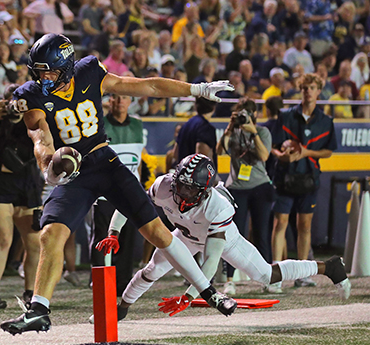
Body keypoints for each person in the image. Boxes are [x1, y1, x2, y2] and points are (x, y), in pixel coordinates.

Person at [0, 33, 236, 335]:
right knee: (50, 235)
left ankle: (208, 291)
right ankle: (39, 310)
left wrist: (196, 89)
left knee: (156, 232)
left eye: (50, 71)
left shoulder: (90, 72)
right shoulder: (32, 95)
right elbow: (39, 136)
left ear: (68, 67)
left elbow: (146, 85)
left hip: (105, 162)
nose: (43, 78)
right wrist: (48, 165)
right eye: (39, 71)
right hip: (73, 172)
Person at [95, 155, 350, 320]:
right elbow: (131, 204)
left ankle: (329, 267)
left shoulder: (217, 207)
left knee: (266, 275)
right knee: (152, 270)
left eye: (188, 189)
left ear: (204, 191)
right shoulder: (164, 186)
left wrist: (190, 295)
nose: (180, 193)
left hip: (222, 239)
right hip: (184, 236)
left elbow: (210, 261)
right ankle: (121, 310)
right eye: (179, 185)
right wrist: (114, 231)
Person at [0, 84, 43, 309]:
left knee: (34, 242)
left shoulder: (33, 119)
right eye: (10, 100)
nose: (15, 105)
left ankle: (31, 292)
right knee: (3, 238)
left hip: (26, 183)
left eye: (19, 100)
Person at [271, 73, 337, 290]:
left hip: (309, 178)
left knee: (304, 226)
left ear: (319, 90)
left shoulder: (326, 121)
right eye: (304, 88)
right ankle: (276, 274)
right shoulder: (286, 116)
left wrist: (306, 152)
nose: (308, 91)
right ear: (300, 90)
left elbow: (328, 151)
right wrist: (282, 155)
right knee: (280, 222)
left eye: (312, 88)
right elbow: (273, 145)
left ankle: (301, 275)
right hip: (285, 176)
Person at [216, 97, 276, 295]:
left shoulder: (263, 131)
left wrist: (254, 133)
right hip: (237, 188)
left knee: (261, 233)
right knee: (233, 235)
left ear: (254, 115)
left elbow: (264, 156)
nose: (243, 118)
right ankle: (230, 279)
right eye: (240, 113)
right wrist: (230, 128)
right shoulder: (234, 132)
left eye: (246, 114)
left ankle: (269, 279)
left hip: (259, 186)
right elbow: (219, 151)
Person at [89, 94, 145, 296]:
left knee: (128, 240)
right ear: (109, 101)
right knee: (102, 239)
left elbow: (138, 158)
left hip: (129, 194)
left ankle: (123, 284)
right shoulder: (99, 125)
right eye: (116, 97)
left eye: (125, 98)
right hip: (105, 195)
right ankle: (100, 282)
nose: (120, 101)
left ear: (131, 101)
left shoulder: (138, 126)